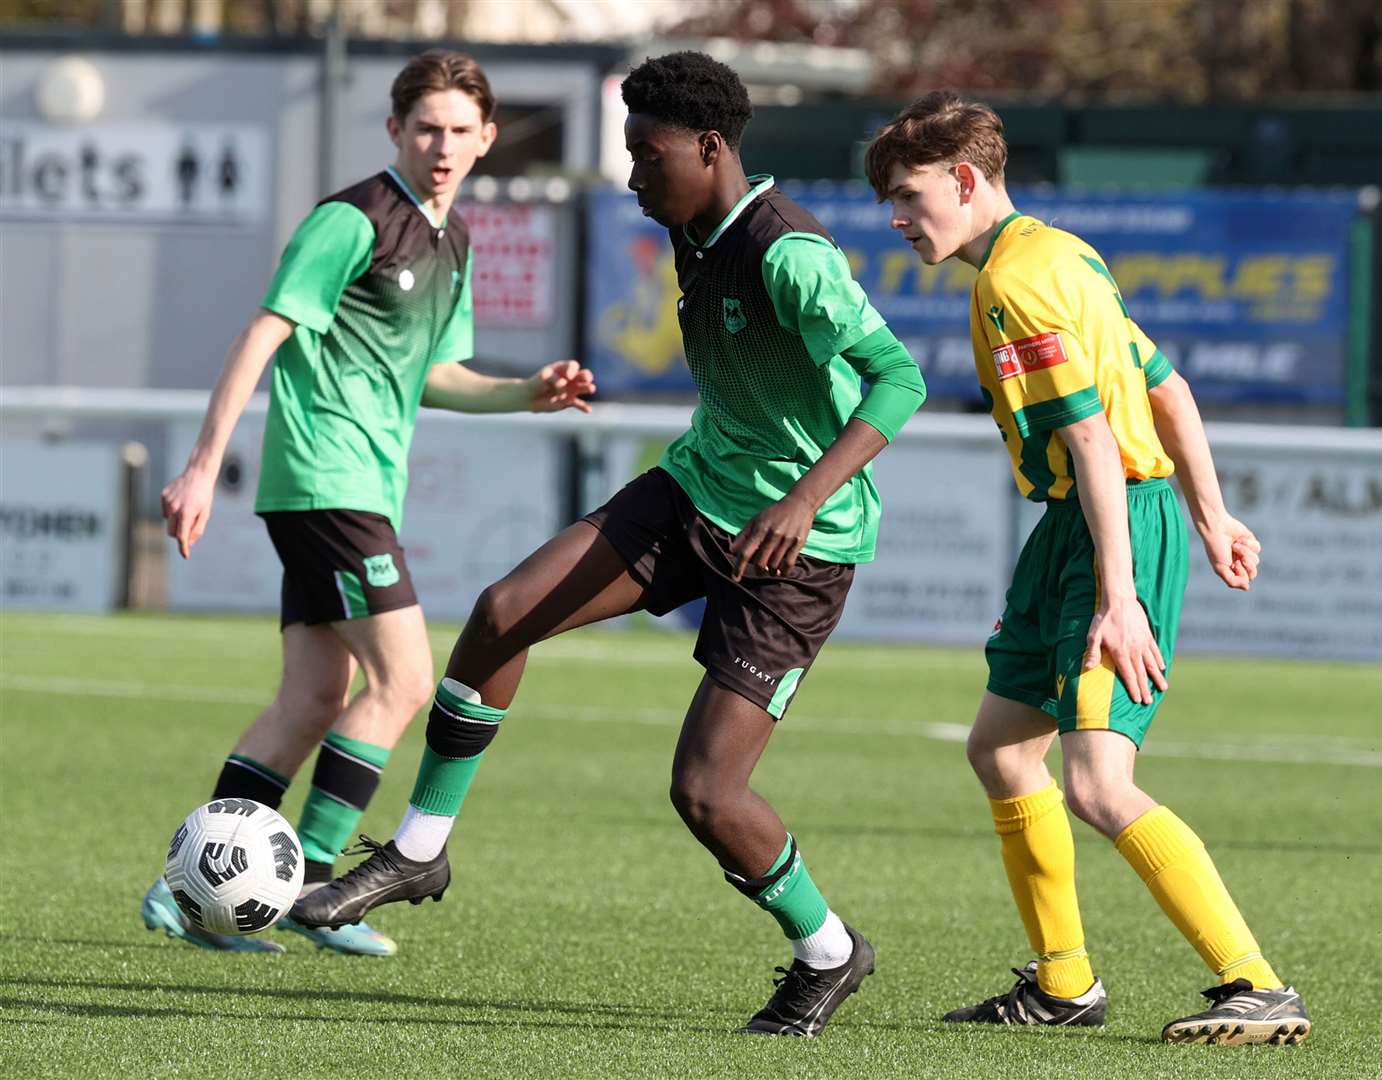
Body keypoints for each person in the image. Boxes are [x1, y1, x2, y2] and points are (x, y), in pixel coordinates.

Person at [291, 51, 927, 1036]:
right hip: (693, 490)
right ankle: (420, 848)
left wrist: (800, 502)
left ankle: (830, 951)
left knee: (706, 793)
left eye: (646, 152)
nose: (631, 174)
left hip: (796, 546)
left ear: (709, 149)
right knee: (503, 614)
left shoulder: (785, 251)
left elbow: (897, 380)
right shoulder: (690, 227)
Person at [862, 92, 1311, 1046]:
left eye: (907, 196)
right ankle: (1063, 985)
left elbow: (1098, 438)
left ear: (967, 179)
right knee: (999, 748)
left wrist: (1121, 598)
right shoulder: (1064, 252)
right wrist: (1214, 513)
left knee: (1100, 784)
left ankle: (1258, 984)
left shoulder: (1013, 286)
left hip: (1111, 531)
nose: (896, 219)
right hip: (1082, 526)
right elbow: (1168, 387)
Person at [141, 50, 596, 957]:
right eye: (426, 127)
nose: (442, 145)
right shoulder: (351, 221)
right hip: (324, 479)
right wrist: (201, 464)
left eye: (460, 131)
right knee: (407, 681)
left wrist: (525, 392)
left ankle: (181, 894)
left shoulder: (452, 240)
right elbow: (263, 330)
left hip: (350, 486)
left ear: (487, 140)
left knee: (315, 695)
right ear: (394, 130)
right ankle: (310, 884)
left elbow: (436, 375)